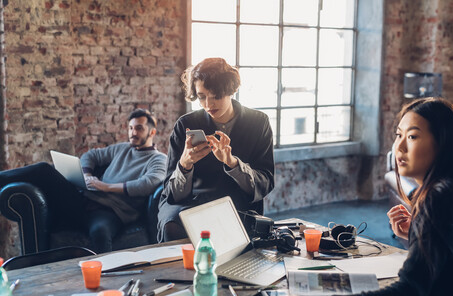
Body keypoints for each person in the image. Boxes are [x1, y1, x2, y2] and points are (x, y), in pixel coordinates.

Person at [262, 97, 453, 296]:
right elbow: (446, 270)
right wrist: (417, 233)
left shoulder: (440, 197)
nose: (400, 147)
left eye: (413, 136)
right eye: (398, 135)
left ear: (443, 143)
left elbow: (407, 295)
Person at [0, 109, 167, 253]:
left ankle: (105, 277)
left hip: (110, 212)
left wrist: (107, 187)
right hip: (82, 201)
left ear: (152, 132)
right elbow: (91, 155)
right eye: (131, 128)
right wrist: (86, 174)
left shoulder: (158, 159)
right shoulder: (122, 148)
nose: (133, 133)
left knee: (100, 231)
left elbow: (149, 183)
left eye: (139, 128)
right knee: (44, 169)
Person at [157, 57, 274, 242]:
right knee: (172, 225)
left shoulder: (258, 123)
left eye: (216, 96)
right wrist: (185, 164)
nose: (208, 104)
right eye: (202, 96)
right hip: (188, 203)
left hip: (234, 202)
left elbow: (265, 183)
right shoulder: (186, 124)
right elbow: (172, 194)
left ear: (231, 90)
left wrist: (232, 163)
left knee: (232, 226)